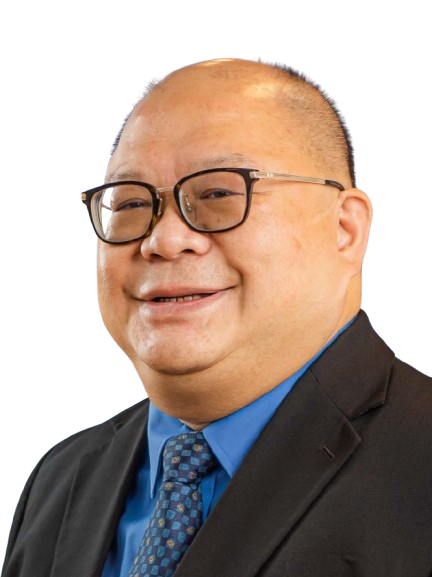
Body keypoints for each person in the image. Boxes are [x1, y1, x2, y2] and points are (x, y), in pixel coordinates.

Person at [3, 58, 431, 577]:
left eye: (217, 194)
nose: (163, 240)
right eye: (131, 203)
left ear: (345, 229)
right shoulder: (62, 478)